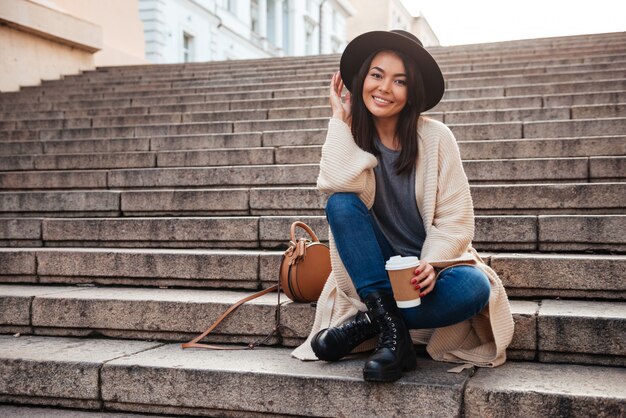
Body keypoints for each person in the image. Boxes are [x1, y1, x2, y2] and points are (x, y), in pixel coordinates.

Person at [291, 30, 515, 382]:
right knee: (341, 204)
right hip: (373, 271)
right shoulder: (351, 135)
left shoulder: (437, 137)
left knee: (473, 287)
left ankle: (369, 324)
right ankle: (395, 337)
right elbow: (334, 185)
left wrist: (432, 262)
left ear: (412, 92)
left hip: (427, 270)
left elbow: (456, 219)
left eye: (400, 81)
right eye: (377, 75)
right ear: (361, 78)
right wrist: (339, 119)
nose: (384, 88)